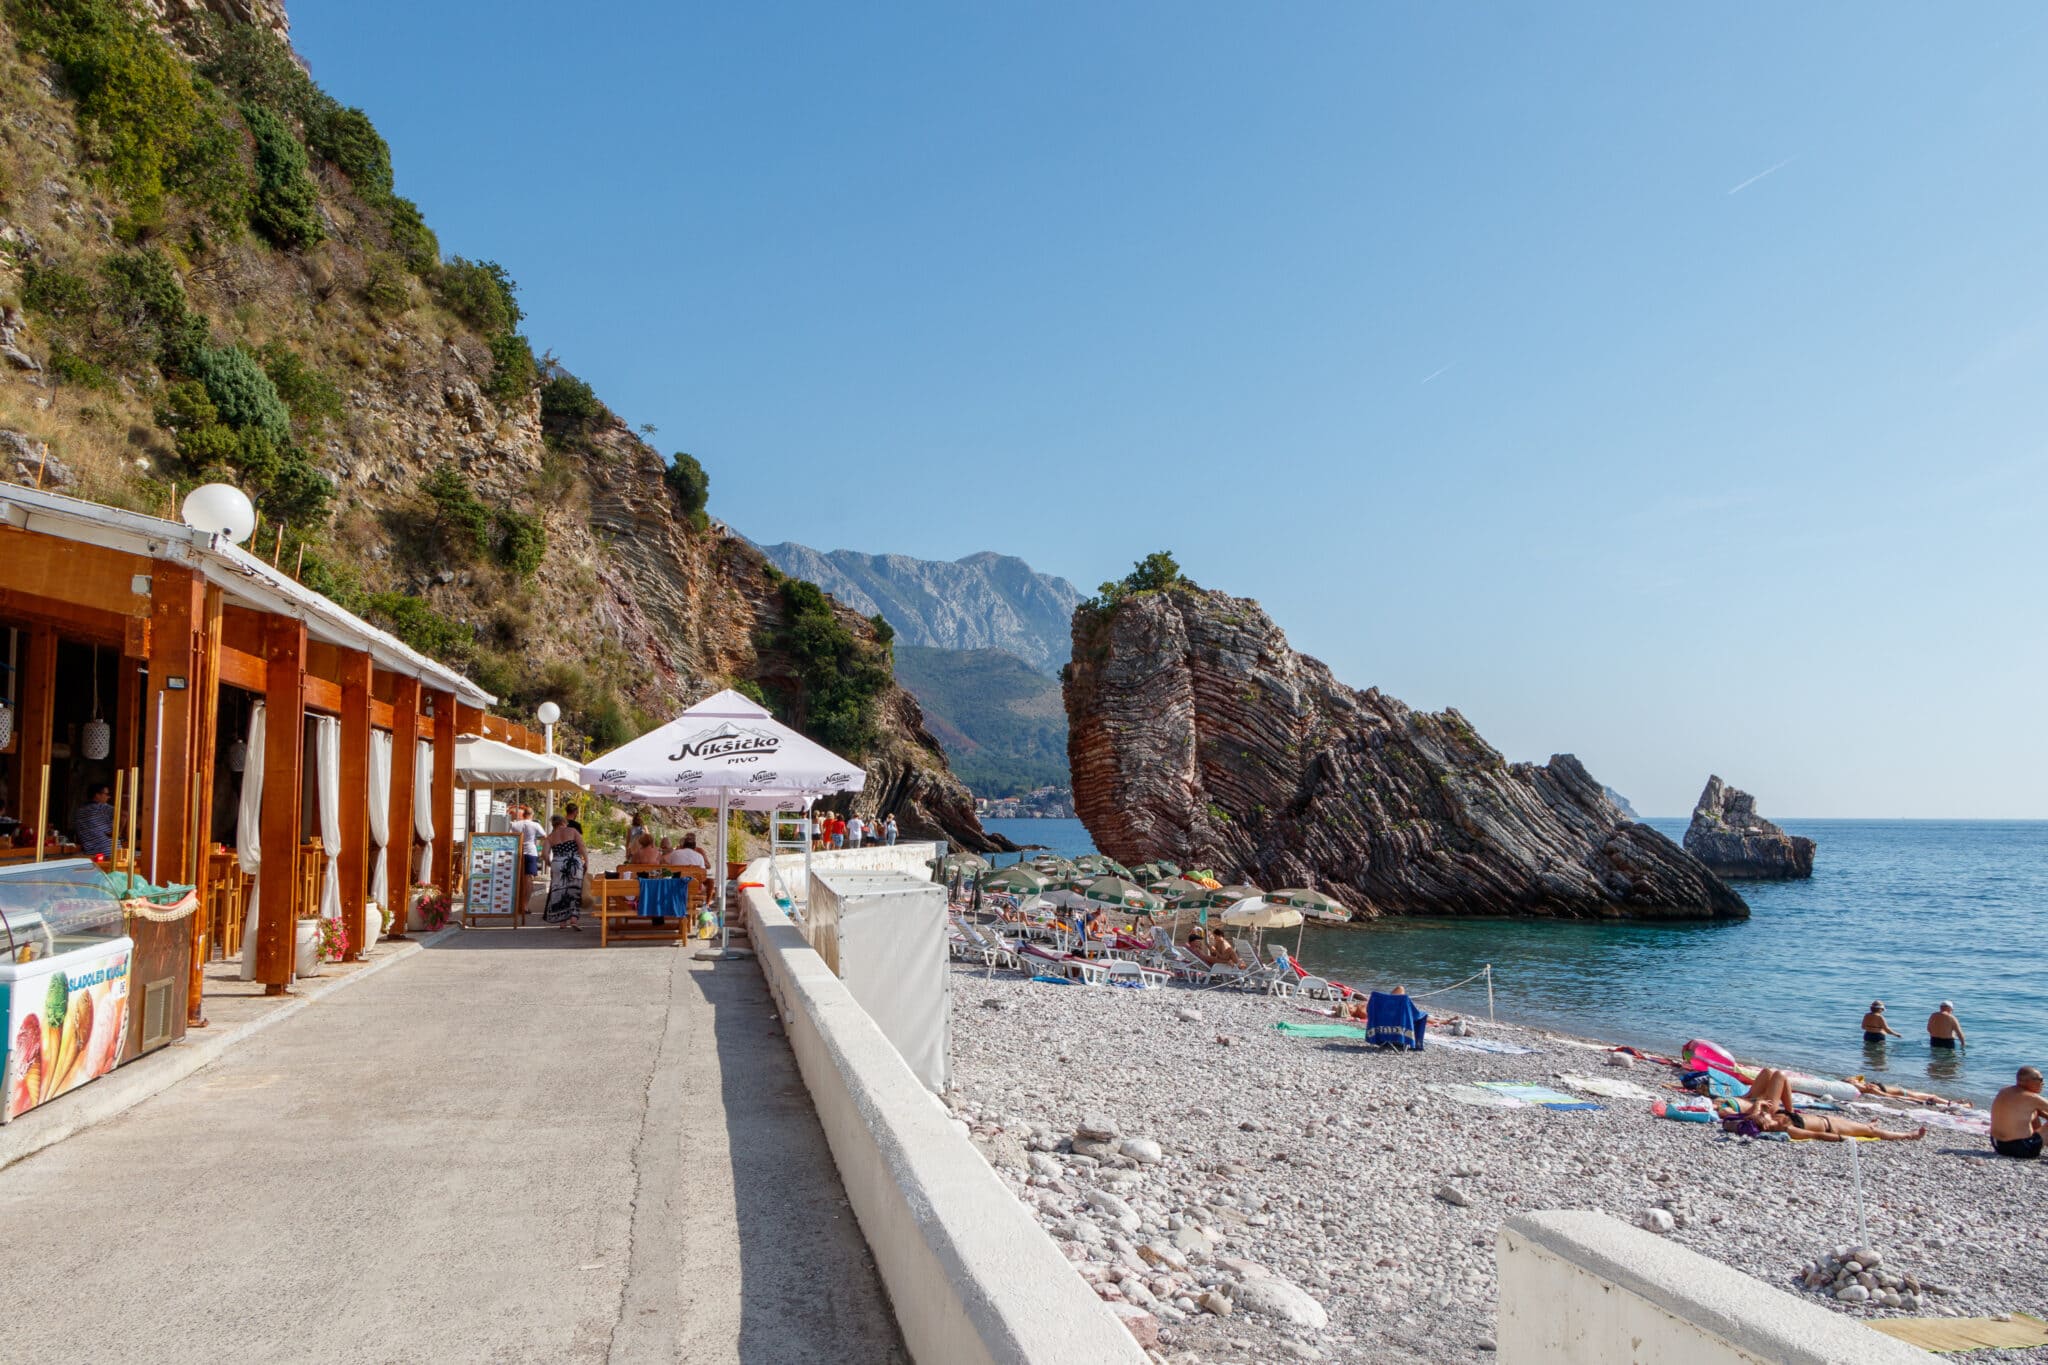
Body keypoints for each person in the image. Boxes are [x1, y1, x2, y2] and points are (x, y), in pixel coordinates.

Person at [1990, 1067, 2048, 1159]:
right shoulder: (2032, 1098)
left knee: (2035, 1111)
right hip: (2022, 1149)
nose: (2043, 1083)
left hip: (1998, 1145)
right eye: (2040, 1080)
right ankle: (2037, 1142)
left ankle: (2039, 1140)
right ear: (2026, 1081)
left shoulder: (2004, 1091)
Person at [542, 814, 585, 930]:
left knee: (559, 891)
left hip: (557, 863)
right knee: (574, 890)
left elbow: (544, 854)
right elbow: (581, 847)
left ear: (553, 825)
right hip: (573, 862)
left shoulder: (550, 837)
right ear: (563, 823)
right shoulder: (572, 831)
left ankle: (562, 922)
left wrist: (550, 863)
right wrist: (586, 861)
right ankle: (574, 920)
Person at [70, 782, 115, 858]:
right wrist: (118, 833)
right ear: (97, 795)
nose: (109, 797)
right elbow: (124, 815)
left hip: (93, 853)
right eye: (106, 794)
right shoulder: (102, 807)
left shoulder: (79, 811)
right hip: (110, 852)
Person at [507, 805, 547, 880]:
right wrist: (535, 837)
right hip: (530, 852)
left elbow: (510, 837)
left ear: (523, 815)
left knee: (517, 877)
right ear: (532, 815)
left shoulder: (514, 824)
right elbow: (545, 836)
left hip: (518, 852)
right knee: (530, 876)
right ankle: (528, 891)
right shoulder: (535, 825)